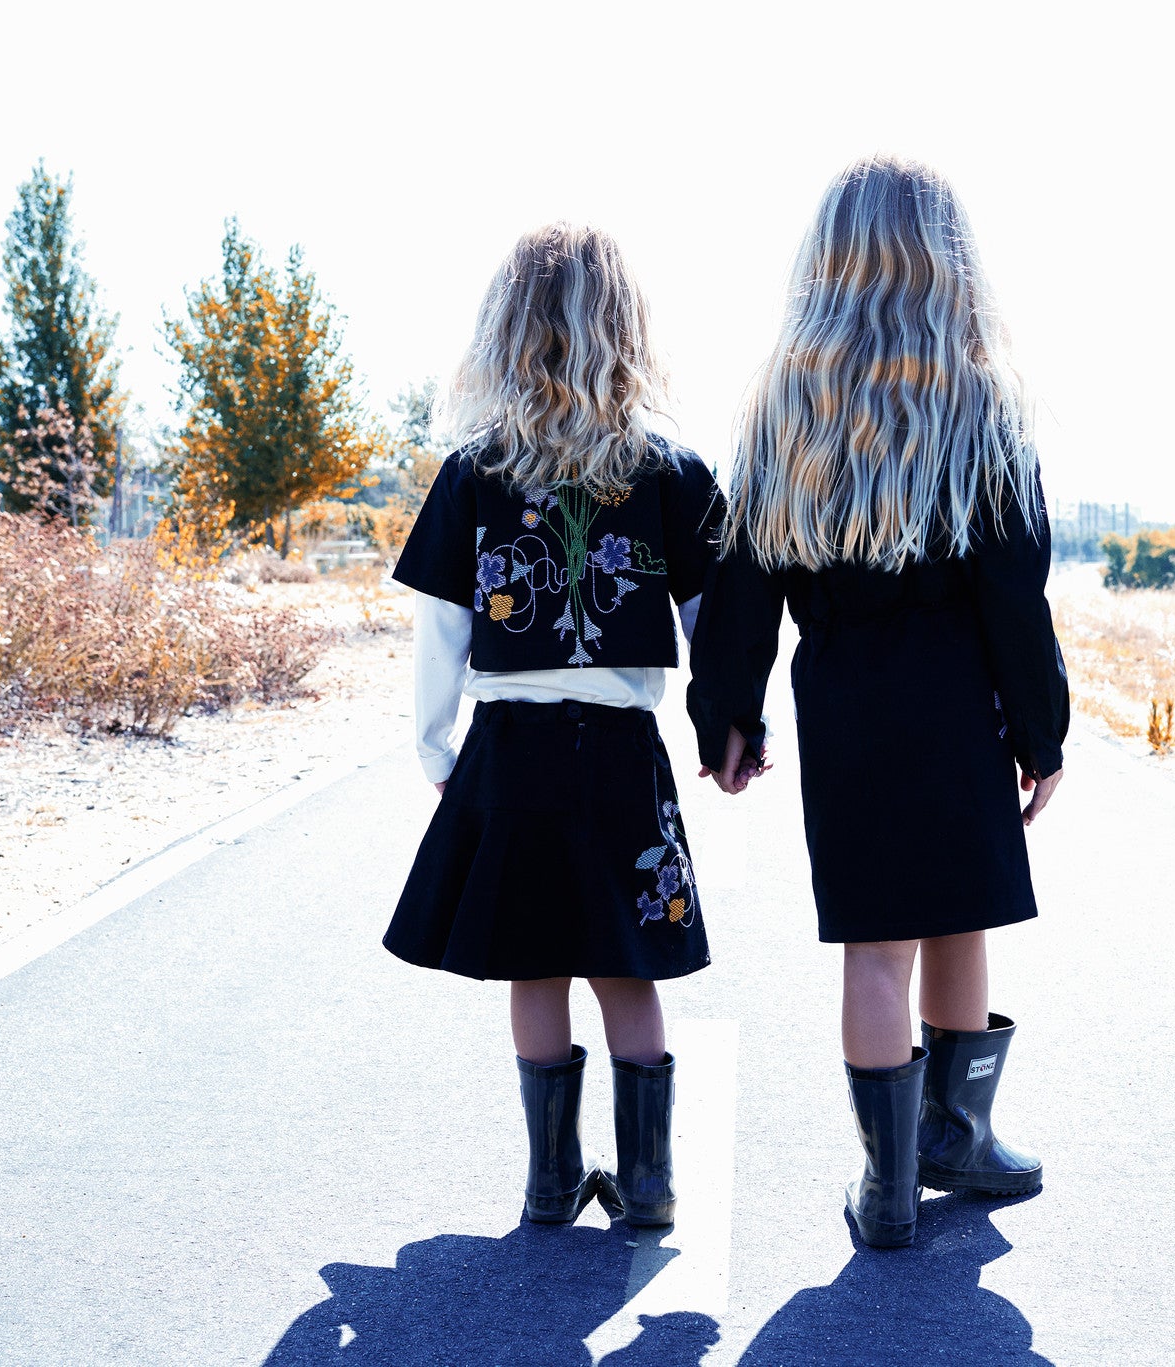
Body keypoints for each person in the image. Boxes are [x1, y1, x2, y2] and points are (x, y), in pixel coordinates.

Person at [687, 156, 1070, 1248]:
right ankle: (957, 1134)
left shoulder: (781, 415)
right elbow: (1013, 597)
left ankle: (893, 1183)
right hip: (958, 709)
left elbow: (741, 586)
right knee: (961, 914)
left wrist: (730, 716)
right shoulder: (984, 410)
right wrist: (1038, 732)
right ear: (951, 265)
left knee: (879, 949)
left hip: (848, 709)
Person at [386, 223, 724, 1229]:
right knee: (625, 959)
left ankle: (547, 1180)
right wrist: (724, 722)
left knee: (532, 956)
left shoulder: (477, 468)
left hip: (512, 747)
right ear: (625, 328)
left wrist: (435, 745)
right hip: (621, 751)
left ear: (505, 331)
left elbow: (441, 627)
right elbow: (717, 617)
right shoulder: (668, 465)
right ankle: (650, 1181)